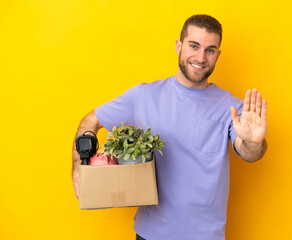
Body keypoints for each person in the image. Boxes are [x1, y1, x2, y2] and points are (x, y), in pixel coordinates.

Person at [72, 14, 267, 240]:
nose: (201, 57)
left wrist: (253, 142)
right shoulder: (143, 96)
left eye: (210, 50)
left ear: (218, 55)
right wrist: (79, 167)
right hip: (150, 234)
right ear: (178, 46)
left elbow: (249, 152)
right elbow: (91, 120)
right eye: (194, 46)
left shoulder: (232, 108)